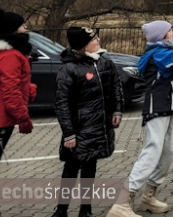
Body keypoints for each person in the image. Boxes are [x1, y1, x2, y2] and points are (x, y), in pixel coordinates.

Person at [106, 13, 173, 217]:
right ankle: (122, 202)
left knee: (166, 154)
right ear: (162, 35)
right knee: (152, 151)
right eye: (170, 30)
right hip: (158, 107)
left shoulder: (161, 52)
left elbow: (165, 72)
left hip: (167, 105)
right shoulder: (159, 53)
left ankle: (149, 196)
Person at [53, 28, 124, 217]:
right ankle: (61, 210)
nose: (98, 40)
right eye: (93, 39)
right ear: (83, 46)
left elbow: (116, 86)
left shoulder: (104, 61)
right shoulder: (69, 69)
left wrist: (117, 109)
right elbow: (62, 104)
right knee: (71, 169)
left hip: (98, 128)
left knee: (90, 168)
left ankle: (86, 210)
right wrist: (69, 133)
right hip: (79, 129)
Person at [0, 7, 36, 217]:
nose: (25, 27)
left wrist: (29, 88)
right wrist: (23, 118)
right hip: (1, 114)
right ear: (13, 29)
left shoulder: (10, 53)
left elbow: (12, 82)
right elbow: (9, 90)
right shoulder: (11, 55)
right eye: (22, 24)